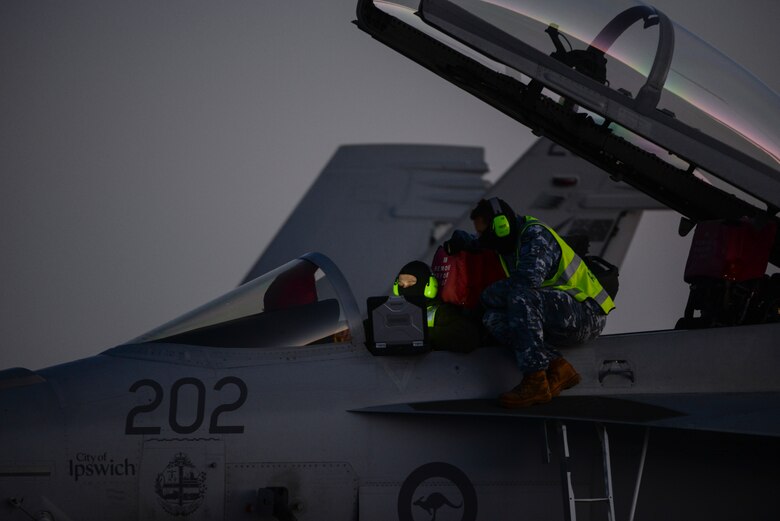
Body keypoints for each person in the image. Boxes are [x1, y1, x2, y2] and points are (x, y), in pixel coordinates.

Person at [443, 197, 615, 408]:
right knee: (493, 318)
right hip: (561, 312)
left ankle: (535, 382)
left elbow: (526, 280)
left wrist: (485, 297)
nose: (481, 237)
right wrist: (464, 241)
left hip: (587, 313)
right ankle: (558, 368)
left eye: (482, 232)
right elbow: (484, 242)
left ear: (501, 227)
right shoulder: (506, 240)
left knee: (520, 296)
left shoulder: (535, 236)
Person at [393, 260, 481, 353]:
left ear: (429, 285)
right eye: (401, 283)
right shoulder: (396, 312)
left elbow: (467, 336)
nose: (405, 287)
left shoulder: (440, 311)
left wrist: (422, 334)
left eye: (411, 282)